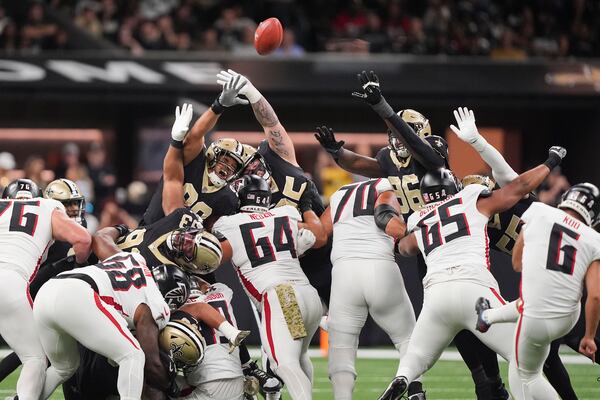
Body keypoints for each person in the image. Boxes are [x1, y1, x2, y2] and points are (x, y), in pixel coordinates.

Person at [378, 144, 567, 400]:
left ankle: (403, 377)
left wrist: (389, 223)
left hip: (436, 296)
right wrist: (550, 160)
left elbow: (406, 247)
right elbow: (519, 187)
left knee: (417, 357)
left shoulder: (420, 218)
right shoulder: (470, 198)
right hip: (474, 289)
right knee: (522, 358)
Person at [217, 69, 334, 305]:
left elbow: (270, 122)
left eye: (252, 163)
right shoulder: (238, 197)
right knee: (289, 328)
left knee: (342, 320)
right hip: (284, 270)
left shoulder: (278, 156)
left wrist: (252, 94)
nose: (252, 170)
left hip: (327, 255)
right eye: (242, 170)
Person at [478, 183, 600, 400]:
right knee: (530, 304)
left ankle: (488, 316)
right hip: (568, 317)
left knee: (524, 375)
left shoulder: (540, 211)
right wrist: (589, 336)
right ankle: (487, 315)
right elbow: (595, 295)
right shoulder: (594, 238)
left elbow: (517, 263)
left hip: (537, 315)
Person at [213, 175, 327, 400]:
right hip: (308, 293)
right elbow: (317, 233)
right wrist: (305, 208)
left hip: (282, 295)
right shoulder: (287, 214)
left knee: (283, 364)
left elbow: (214, 256)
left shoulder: (228, 224)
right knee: (301, 357)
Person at [321, 178, 424, 399]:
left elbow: (320, 234)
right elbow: (388, 222)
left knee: (341, 348)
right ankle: (415, 391)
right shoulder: (385, 186)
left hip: (344, 272)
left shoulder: (339, 192)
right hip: (379, 267)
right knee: (409, 340)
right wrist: (416, 228)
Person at [33, 250, 176, 399]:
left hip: (48, 290)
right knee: (133, 355)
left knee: (63, 368)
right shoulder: (156, 303)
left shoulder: (135, 258)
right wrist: (171, 387)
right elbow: (152, 364)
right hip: (77, 294)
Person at [0, 178, 91, 400]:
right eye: (66, 204)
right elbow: (83, 240)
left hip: (19, 284)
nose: (71, 209)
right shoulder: (48, 207)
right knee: (36, 357)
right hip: (14, 283)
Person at [141, 80, 249, 228]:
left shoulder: (227, 198)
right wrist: (218, 106)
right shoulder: (196, 162)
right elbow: (197, 134)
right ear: (212, 156)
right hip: (151, 230)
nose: (228, 167)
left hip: (188, 247)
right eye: (226, 160)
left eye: (233, 165)